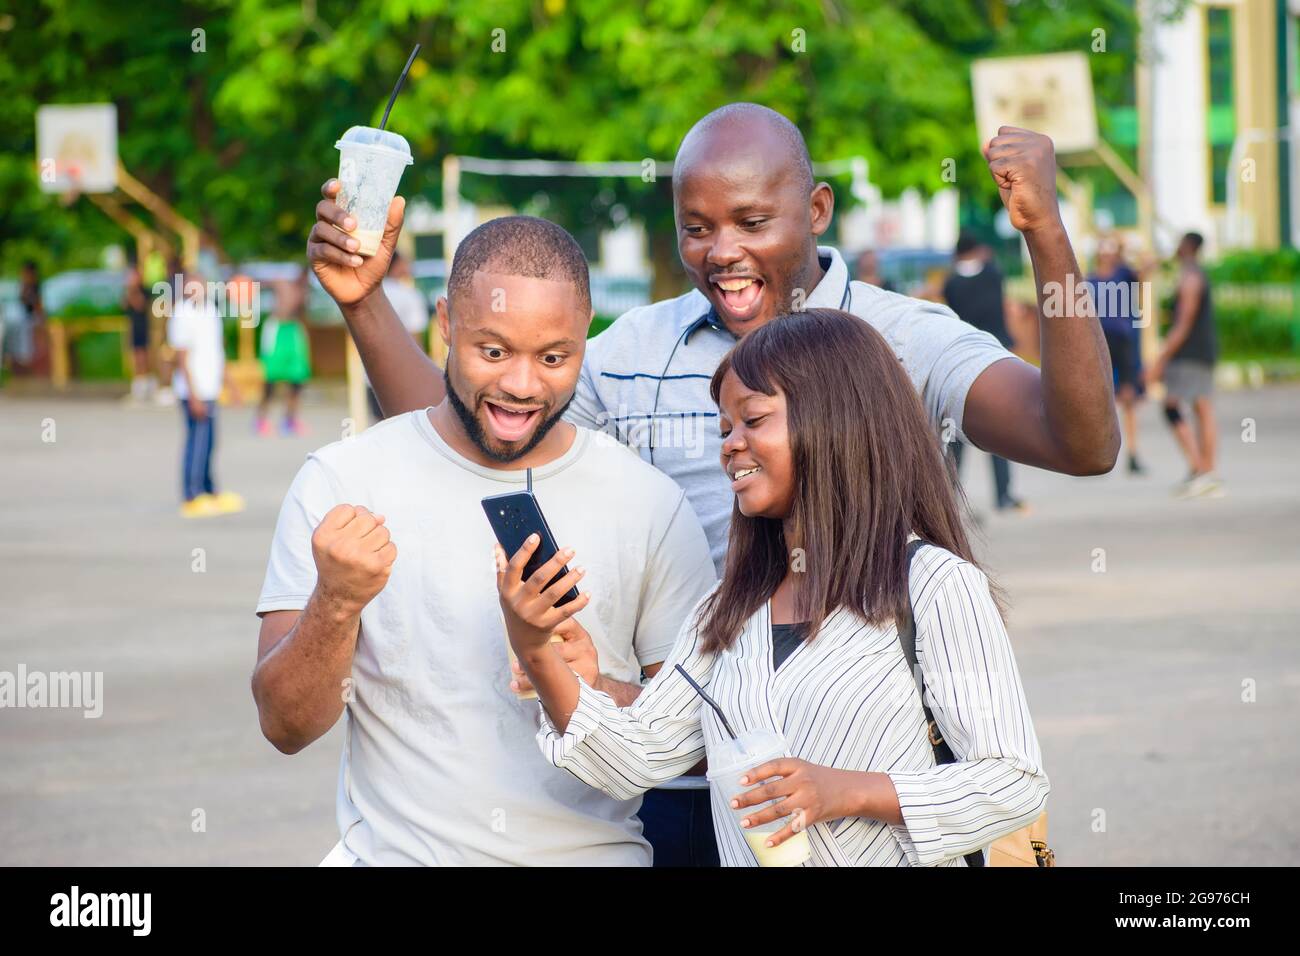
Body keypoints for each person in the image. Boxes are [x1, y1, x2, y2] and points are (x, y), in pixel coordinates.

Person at [306, 102, 1113, 866]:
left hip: (868, 767)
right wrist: (366, 302)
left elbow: (1081, 440)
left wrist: (1044, 233)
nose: (721, 251)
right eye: (697, 229)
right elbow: (475, 441)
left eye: (752, 223)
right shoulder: (631, 353)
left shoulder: (901, 345)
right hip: (683, 767)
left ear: (818, 209)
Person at [498, 308, 1049, 867]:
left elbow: (1014, 781)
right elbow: (636, 756)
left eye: (753, 420)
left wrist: (848, 791)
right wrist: (537, 649)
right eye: (725, 429)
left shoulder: (934, 585)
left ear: (839, 421)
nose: (730, 445)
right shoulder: (728, 610)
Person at [253, 216, 716, 866]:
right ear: (446, 323)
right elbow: (285, 727)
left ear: (587, 339)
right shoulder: (343, 481)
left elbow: (702, 738)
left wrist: (590, 685)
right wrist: (334, 603)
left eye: (554, 357)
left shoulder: (648, 502)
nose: (522, 386)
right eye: (493, 352)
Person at [942, 233, 1026, 513]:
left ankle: (948, 499)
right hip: (995, 358)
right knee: (999, 431)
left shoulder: (952, 283)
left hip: (960, 359)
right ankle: (1003, 495)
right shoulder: (993, 274)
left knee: (955, 436)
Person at [1146, 232, 1222, 498]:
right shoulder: (1194, 273)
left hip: (1190, 353)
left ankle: (1202, 470)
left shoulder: (1190, 276)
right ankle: (1204, 472)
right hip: (1200, 351)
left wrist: (1161, 358)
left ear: (1188, 246)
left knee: (1174, 407)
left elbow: (1184, 322)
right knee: (1201, 407)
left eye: (1180, 243)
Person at [168, 268, 245, 518]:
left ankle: (210, 491)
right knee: (197, 442)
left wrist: (231, 386)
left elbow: (217, 354)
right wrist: (193, 396)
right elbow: (181, 359)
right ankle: (192, 494)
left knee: (210, 442)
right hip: (194, 391)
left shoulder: (210, 312)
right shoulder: (182, 314)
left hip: (210, 388)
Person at [1085, 237, 1146, 475]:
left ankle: (1132, 452)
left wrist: (1125, 247)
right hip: (1100, 345)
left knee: (1129, 399)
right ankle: (1096, 452)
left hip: (1125, 343)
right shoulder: (1089, 280)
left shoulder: (1124, 273)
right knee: (1099, 400)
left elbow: (1145, 270)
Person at [366, 250, 430, 421]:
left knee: (381, 425)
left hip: (372, 373)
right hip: (405, 373)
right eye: (405, 262)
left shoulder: (368, 295)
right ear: (396, 265)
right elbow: (415, 337)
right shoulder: (409, 295)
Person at [256, 272, 313, 437]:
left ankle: (290, 420)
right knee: (270, 385)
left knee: (297, 382)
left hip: (292, 332)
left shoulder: (304, 291)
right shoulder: (282, 283)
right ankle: (261, 420)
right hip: (277, 332)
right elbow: (265, 282)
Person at [123, 252, 155, 403]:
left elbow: (139, 304)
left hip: (144, 327)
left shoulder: (144, 291)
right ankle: (137, 386)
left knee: (144, 356)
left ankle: (146, 386)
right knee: (135, 356)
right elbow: (123, 305)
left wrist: (134, 290)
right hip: (133, 327)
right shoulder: (128, 291)